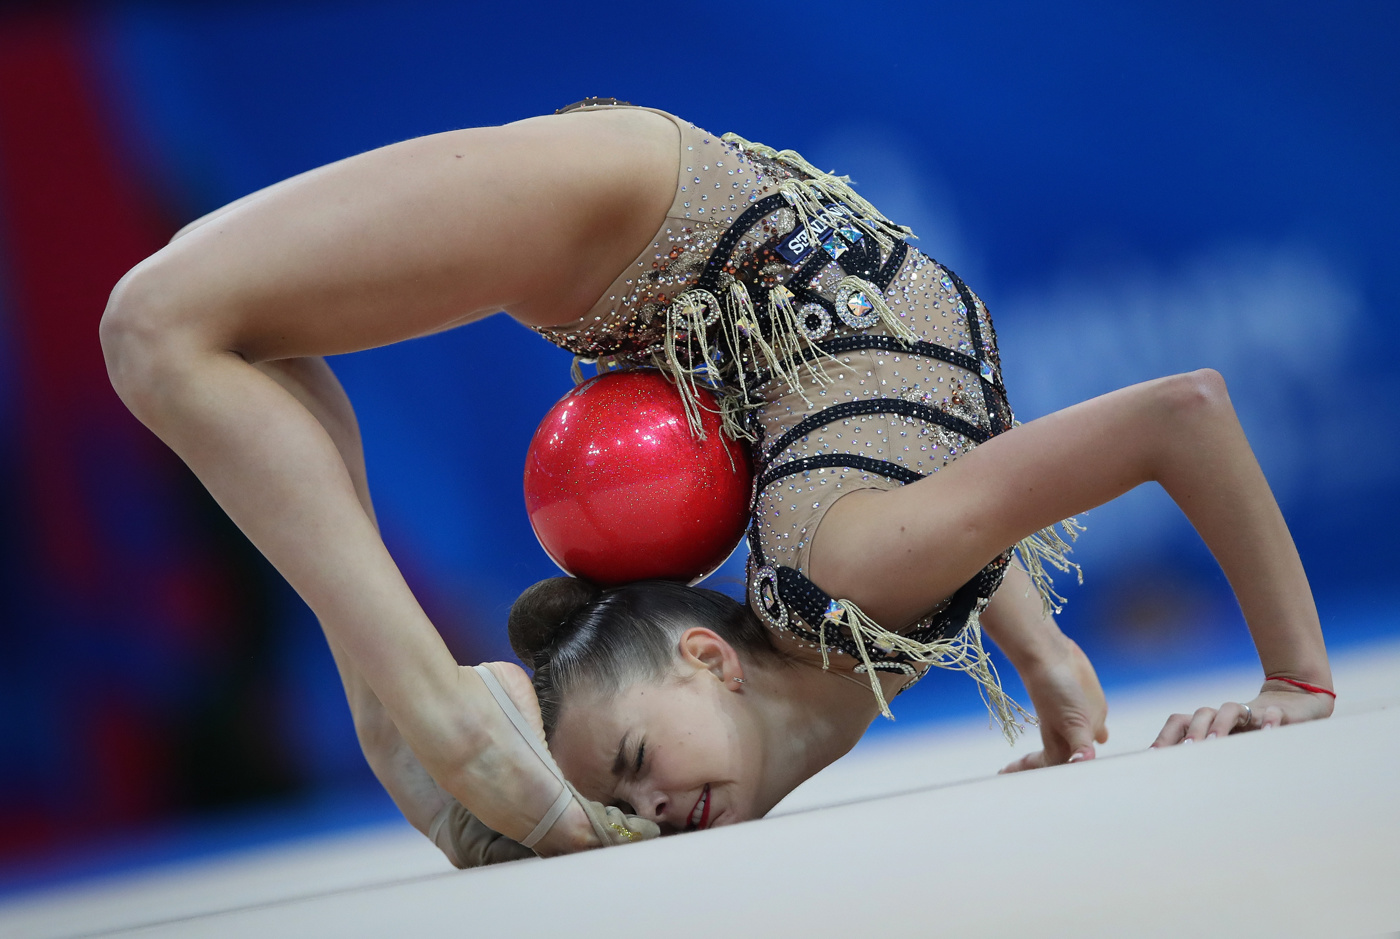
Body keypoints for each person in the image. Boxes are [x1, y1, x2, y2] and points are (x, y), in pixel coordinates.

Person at [99, 100, 1335, 866]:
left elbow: (930, 449)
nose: (645, 804)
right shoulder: (840, 579)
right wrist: (1288, 679)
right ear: (707, 657)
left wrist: (1045, 662)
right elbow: (1184, 411)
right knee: (157, 329)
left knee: (201, 334)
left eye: (620, 785)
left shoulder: (840, 596)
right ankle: (418, 697)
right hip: (640, 218)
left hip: (665, 234)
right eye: (630, 767)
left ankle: (391, 684)